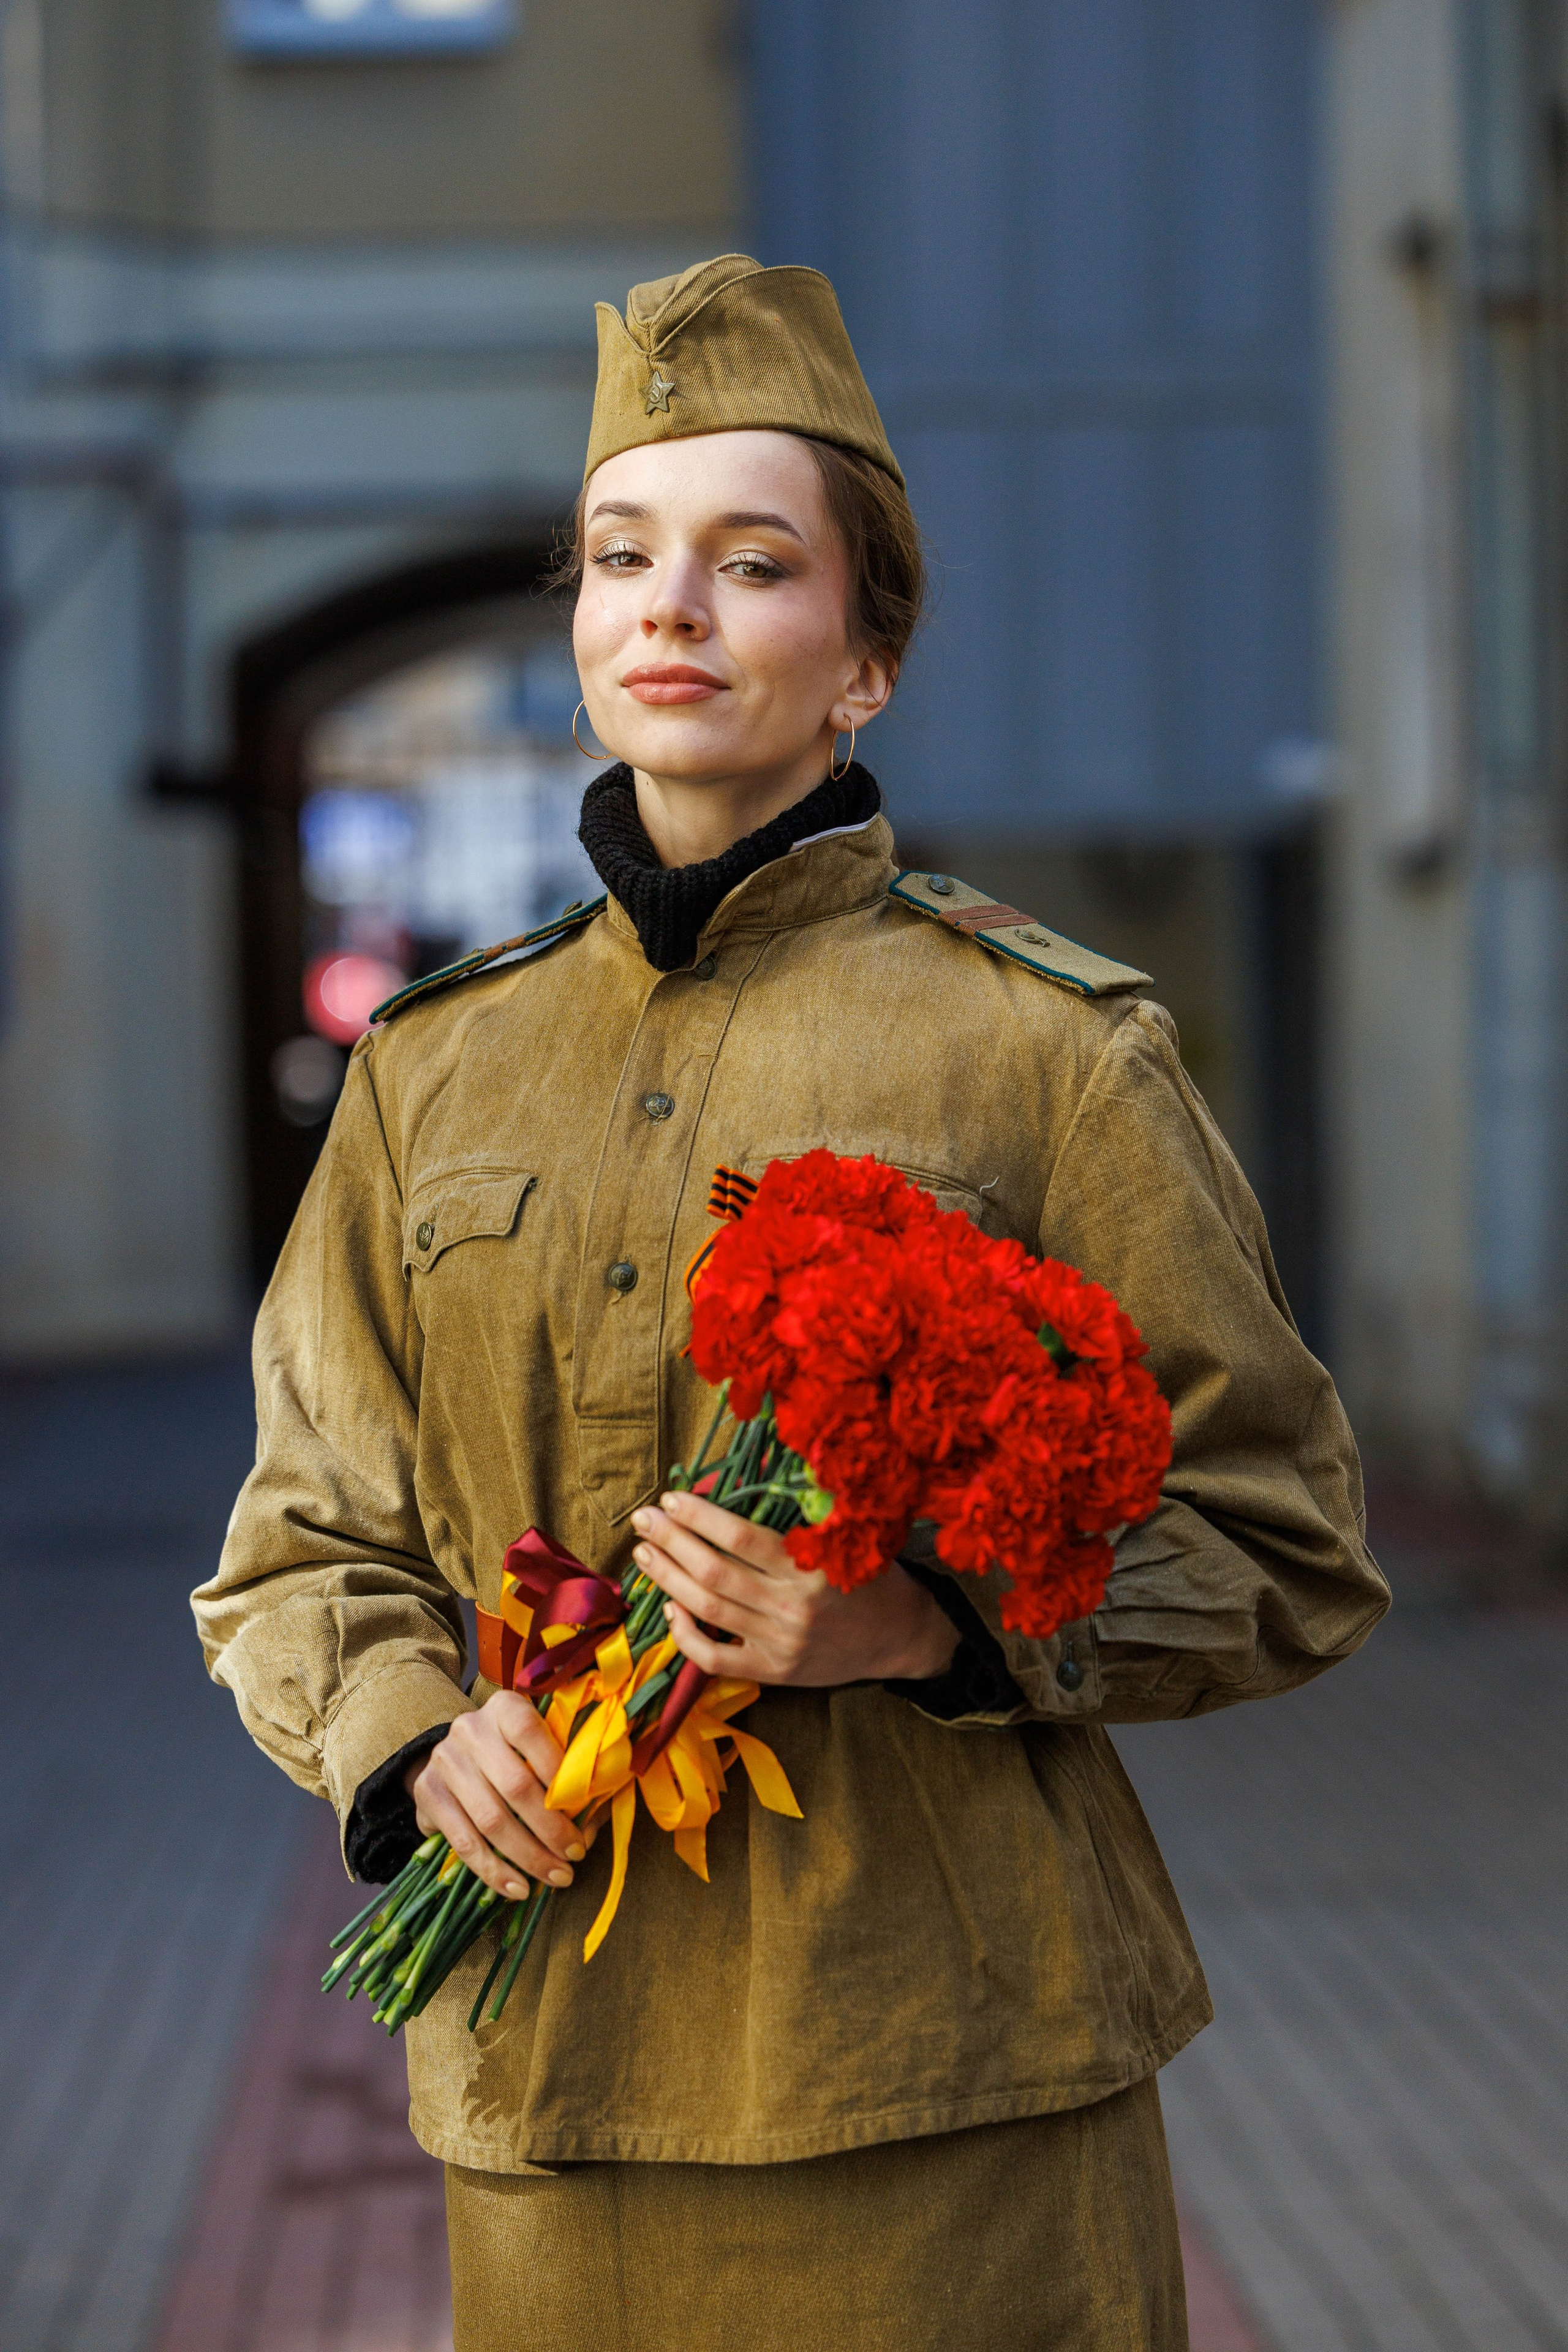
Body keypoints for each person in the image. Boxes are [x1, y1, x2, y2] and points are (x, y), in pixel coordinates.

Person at [195, 254, 1389, 2352]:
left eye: (752, 565)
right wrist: (410, 1746)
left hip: (958, 2094)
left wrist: (927, 1622)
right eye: (620, 556)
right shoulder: (432, 1071)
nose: (670, 608)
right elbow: (304, 1539)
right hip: (553, 2095)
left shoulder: (1048, 1049)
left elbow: (1286, 1543)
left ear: (868, 660)